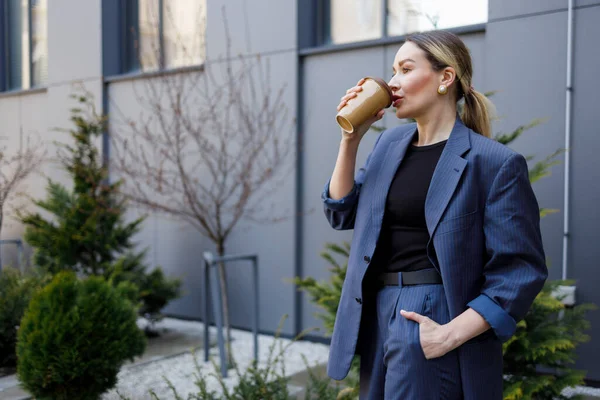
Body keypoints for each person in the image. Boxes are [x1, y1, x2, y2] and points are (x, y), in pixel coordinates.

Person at [322, 30, 548, 400]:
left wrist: (449, 334)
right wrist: (351, 140)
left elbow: (521, 270)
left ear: (445, 78)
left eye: (405, 69)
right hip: (377, 313)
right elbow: (341, 211)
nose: (392, 83)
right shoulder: (388, 144)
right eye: (392, 71)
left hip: (432, 314)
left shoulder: (492, 162)